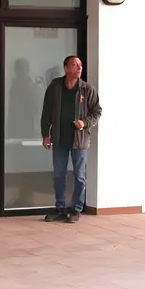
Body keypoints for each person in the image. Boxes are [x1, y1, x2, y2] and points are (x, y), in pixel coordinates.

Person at [40, 55, 102, 223]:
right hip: (59, 138)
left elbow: (97, 111)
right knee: (59, 175)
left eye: (80, 65)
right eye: (75, 65)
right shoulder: (55, 87)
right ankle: (60, 207)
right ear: (66, 68)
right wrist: (46, 134)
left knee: (79, 175)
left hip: (79, 140)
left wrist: (85, 123)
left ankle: (75, 209)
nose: (79, 68)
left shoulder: (87, 89)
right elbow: (46, 112)